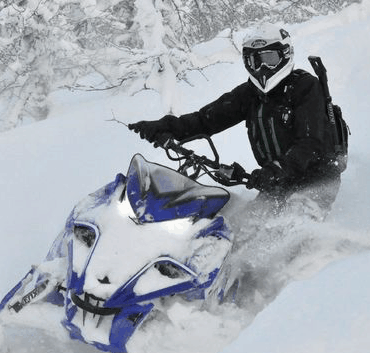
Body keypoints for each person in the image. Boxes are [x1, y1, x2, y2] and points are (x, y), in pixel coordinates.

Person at [128, 23, 346, 219]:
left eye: (269, 59)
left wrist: (276, 169)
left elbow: (310, 143)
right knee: (242, 227)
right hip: (276, 182)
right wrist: (165, 127)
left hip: (315, 178)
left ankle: (330, 251)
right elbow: (206, 120)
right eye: (254, 61)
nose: (262, 68)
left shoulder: (305, 87)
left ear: (285, 55)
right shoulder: (250, 94)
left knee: (290, 230)